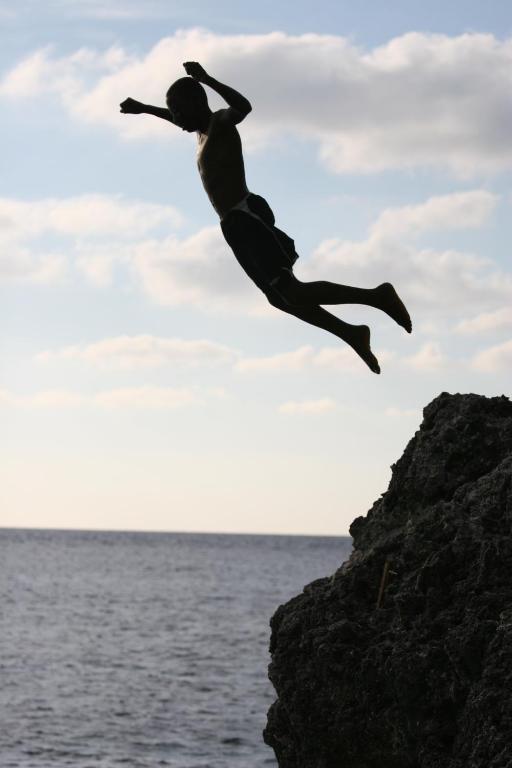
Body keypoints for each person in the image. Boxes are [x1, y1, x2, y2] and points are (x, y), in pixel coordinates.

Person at [120, 62, 412, 373]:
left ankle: (377, 296)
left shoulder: (220, 123)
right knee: (279, 298)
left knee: (292, 291)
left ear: (195, 104)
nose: (175, 119)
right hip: (232, 225)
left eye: (177, 111)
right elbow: (176, 119)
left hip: (247, 218)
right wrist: (146, 109)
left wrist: (206, 79)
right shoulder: (201, 133)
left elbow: (243, 107)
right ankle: (352, 333)